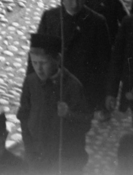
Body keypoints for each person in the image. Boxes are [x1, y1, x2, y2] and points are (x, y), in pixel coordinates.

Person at [35, 0, 112, 113]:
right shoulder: (50, 18)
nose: (75, 4)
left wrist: (103, 96)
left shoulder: (97, 22)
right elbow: (38, 53)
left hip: (83, 90)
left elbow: (104, 63)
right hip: (54, 86)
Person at [17, 32, 91, 172]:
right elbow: (24, 115)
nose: (38, 68)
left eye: (43, 63)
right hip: (37, 156)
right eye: (34, 63)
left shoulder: (72, 86)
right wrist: (29, 148)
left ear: (57, 60)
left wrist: (68, 114)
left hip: (64, 159)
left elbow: (85, 123)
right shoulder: (30, 82)